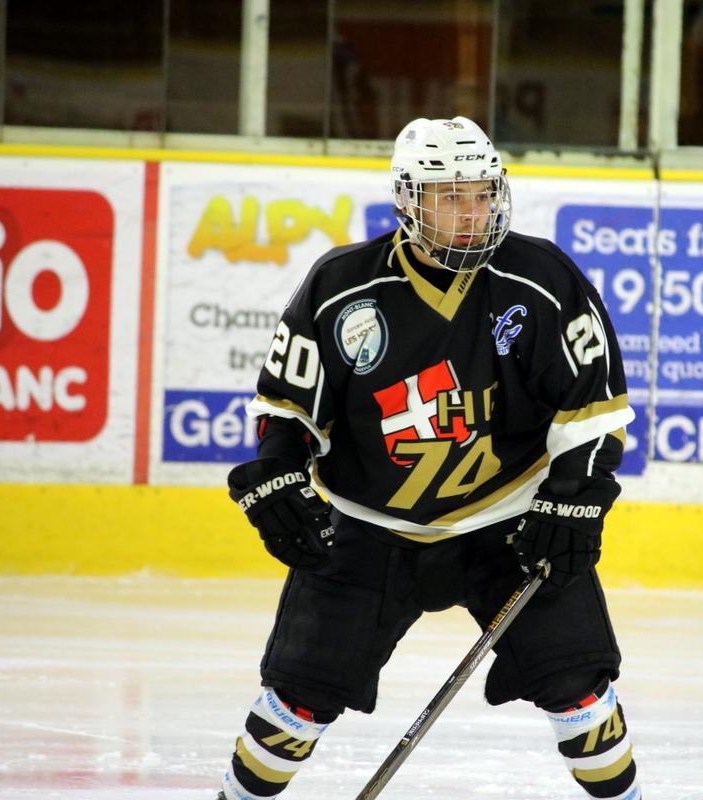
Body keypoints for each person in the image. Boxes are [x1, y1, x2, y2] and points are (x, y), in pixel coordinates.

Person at [216, 116, 642, 800]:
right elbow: (287, 407)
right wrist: (277, 472)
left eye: (479, 194)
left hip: (510, 522)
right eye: (450, 196)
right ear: (408, 201)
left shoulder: (541, 280)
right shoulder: (342, 287)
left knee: (579, 689)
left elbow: (592, 414)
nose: (470, 213)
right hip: (370, 526)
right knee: (294, 702)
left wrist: (575, 498)